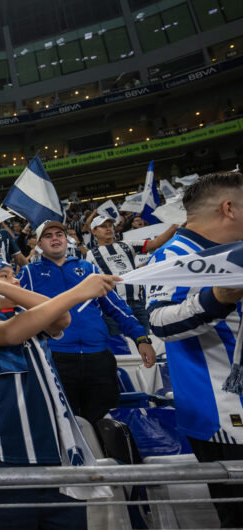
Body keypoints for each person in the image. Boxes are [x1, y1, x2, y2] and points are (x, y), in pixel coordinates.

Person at [0, 255, 120, 529]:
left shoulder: (29, 316)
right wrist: (78, 291)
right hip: (2, 457)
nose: (16, 281)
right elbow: (11, 334)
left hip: (57, 454)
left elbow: (61, 318)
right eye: (5, 276)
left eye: (15, 275)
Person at [147, 172, 243, 527]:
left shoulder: (236, 251)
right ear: (229, 208)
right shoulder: (173, 256)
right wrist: (215, 299)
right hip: (224, 413)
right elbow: (158, 321)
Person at [18, 220, 156, 425]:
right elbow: (18, 312)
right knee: (64, 424)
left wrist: (141, 337)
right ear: (38, 245)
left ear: (67, 240)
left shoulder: (89, 269)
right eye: (48, 236)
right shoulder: (29, 273)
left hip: (99, 358)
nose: (55, 238)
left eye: (59, 234)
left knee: (108, 423)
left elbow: (117, 307)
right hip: (55, 358)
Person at [85, 216, 177, 334]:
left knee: (150, 338)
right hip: (114, 306)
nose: (108, 229)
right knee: (123, 344)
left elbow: (155, 243)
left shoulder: (127, 245)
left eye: (110, 226)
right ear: (93, 231)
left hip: (138, 302)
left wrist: (174, 226)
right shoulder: (89, 255)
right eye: (103, 226)